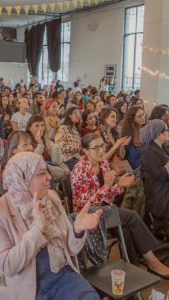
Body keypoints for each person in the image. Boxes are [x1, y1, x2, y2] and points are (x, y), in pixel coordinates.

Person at [0, 151, 102, 300]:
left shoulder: (50, 197)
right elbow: (9, 266)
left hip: (61, 276)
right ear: (23, 179)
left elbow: (71, 249)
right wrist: (38, 230)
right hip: (25, 289)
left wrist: (77, 230)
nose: (49, 178)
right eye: (41, 173)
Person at [71, 133, 169, 275]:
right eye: (96, 148)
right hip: (87, 216)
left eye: (102, 146)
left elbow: (109, 195)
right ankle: (153, 261)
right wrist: (107, 186)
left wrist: (120, 186)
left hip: (105, 209)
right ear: (85, 151)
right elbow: (84, 204)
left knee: (126, 230)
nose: (101, 150)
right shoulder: (79, 170)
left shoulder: (103, 163)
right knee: (132, 216)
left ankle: (133, 269)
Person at [141, 119, 169, 222]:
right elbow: (162, 175)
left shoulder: (163, 147)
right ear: (159, 134)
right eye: (166, 129)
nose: (168, 131)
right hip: (159, 195)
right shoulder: (147, 152)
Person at [121, 106, 146, 170]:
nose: (143, 118)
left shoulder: (146, 127)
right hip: (138, 166)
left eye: (143, 114)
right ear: (133, 119)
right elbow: (133, 159)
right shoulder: (129, 134)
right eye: (139, 116)